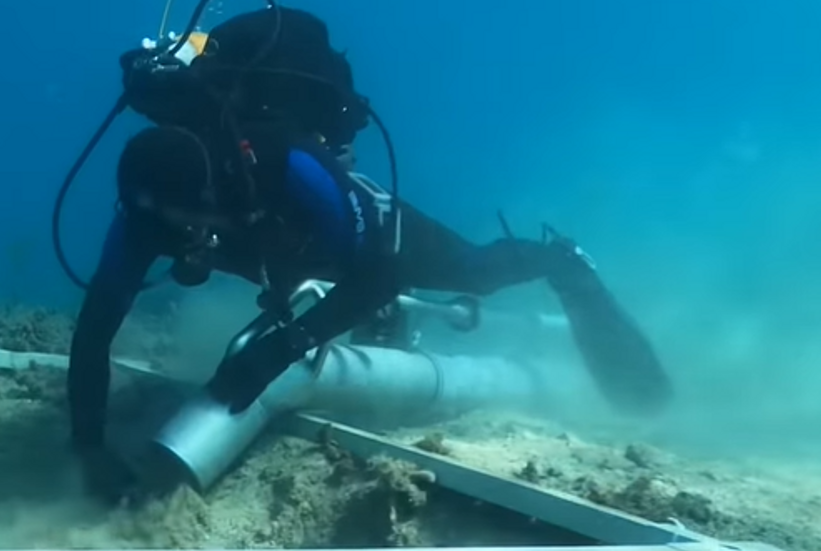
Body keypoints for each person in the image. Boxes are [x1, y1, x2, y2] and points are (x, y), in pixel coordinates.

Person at [66, 123, 674, 498]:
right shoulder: (146, 220)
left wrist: (283, 348)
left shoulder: (284, 167)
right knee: (311, 303)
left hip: (363, 240)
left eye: (187, 225)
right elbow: (95, 333)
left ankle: (562, 262)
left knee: (472, 274)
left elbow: (379, 273)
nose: (181, 242)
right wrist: (89, 446)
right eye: (161, 231)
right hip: (286, 262)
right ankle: (366, 324)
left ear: (211, 191)